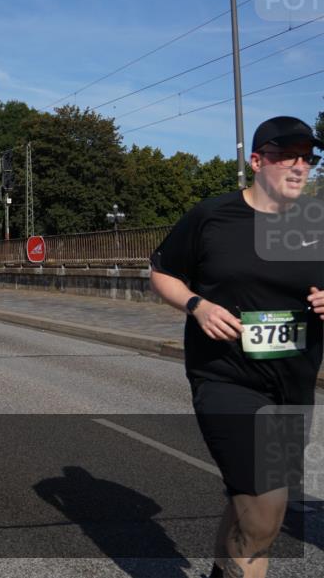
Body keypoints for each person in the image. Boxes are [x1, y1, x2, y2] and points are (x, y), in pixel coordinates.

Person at [150, 116, 324, 578]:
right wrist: (197, 306)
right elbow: (161, 272)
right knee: (266, 509)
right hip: (225, 379)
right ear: (256, 160)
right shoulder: (213, 216)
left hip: (292, 384)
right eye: (287, 155)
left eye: (308, 158)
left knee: (249, 501)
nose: (299, 166)